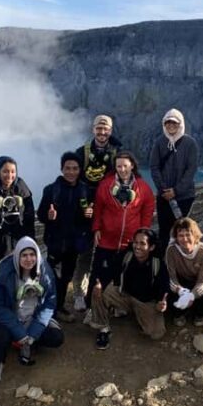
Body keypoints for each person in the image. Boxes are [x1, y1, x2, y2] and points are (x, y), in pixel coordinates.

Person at [0, 236, 64, 406]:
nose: (29, 259)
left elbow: (50, 302)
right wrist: (19, 331)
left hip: (32, 319)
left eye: (32, 255)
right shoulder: (5, 274)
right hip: (10, 321)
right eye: (24, 255)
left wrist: (33, 332)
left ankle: (27, 344)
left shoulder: (44, 272)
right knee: (0, 337)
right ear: (17, 256)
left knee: (56, 337)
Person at [89, 151, 154, 310]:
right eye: (119, 166)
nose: (122, 169)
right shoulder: (106, 185)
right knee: (99, 274)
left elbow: (147, 209)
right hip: (106, 240)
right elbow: (98, 208)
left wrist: (143, 232)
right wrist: (96, 228)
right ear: (115, 167)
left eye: (125, 165)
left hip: (129, 242)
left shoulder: (143, 187)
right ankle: (92, 307)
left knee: (121, 275)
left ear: (132, 165)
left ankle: (115, 305)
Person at [0, 156, 36, 320]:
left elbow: (29, 224)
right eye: (5, 171)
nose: (9, 175)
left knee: (17, 284)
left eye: (12, 171)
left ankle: (14, 318)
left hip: (18, 249)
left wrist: (31, 251)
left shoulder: (24, 195)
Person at [72, 114, 122, 311]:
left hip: (107, 209)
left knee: (107, 252)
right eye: (99, 128)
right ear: (93, 129)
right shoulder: (81, 152)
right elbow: (74, 179)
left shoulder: (118, 152)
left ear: (110, 130)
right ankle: (78, 292)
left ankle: (108, 293)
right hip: (86, 210)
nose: (102, 132)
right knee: (84, 252)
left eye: (106, 128)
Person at [37, 152, 93, 322]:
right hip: (55, 242)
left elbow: (87, 218)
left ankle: (58, 307)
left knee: (66, 276)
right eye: (67, 168)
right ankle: (46, 308)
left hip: (73, 243)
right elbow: (40, 215)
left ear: (79, 170)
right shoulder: (51, 190)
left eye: (75, 168)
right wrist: (49, 216)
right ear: (61, 169)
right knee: (49, 277)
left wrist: (89, 214)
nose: (71, 172)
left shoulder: (85, 191)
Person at [91, 228, 169, 349]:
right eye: (135, 242)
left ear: (151, 247)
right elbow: (110, 270)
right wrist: (99, 283)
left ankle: (137, 315)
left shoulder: (157, 264)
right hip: (125, 295)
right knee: (98, 291)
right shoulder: (126, 255)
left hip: (145, 302)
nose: (137, 246)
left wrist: (161, 302)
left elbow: (164, 286)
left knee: (156, 333)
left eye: (142, 243)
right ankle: (103, 329)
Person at [150, 108, 199, 255]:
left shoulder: (190, 143)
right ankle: (164, 263)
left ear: (181, 124)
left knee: (183, 230)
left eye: (174, 123)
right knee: (164, 231)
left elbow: (191, 170)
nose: (171, 126)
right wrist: (164, 190)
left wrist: (176, 191)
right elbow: (154, 167)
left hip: (185, 197)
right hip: (164, 197)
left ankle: (185, 258)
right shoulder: (159, 143)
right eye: (168, 123)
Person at [165, 217, 203, 328]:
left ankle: (199, 314)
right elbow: (171, 277)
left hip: (201, 283)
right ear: (176, 237)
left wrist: (191, 295)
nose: (184, 239)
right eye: (180, 235)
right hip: (183, 283)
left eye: (188, 235)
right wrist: (181, 291)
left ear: (195, 236)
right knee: (169, 300)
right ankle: (181, 314)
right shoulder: (171, 251)